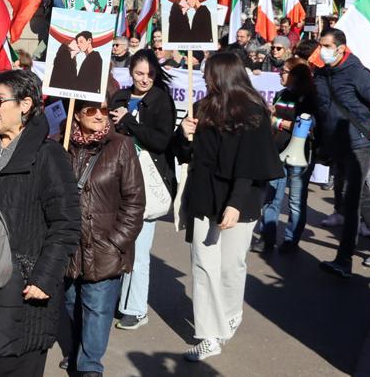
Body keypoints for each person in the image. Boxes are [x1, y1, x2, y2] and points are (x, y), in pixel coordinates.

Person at [0, 70, 80, 376]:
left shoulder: (48, 155)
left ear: (25, 104)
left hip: (23, 292)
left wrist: (44, 278)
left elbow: (66, 223)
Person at [174, 52, 283, 362]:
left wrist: (235, 204)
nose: (206, 78)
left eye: (211, 73)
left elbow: (251, 163)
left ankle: (232, 312)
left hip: (240, 200)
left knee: (231, 265)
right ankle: (209, 335)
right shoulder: (201, 109)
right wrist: (185, 135)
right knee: (203, 266)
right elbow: (185, 154)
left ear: (224, 75)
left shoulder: (253, 112)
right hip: (204, 197)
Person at [58, 97, 145, 376]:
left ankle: (89, 366)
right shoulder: (59, 146)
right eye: (91, 110)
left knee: (97, 309)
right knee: (72, 304)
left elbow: (134, 201)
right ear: (76, 114)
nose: (100, 116)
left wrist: (117, 241)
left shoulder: (121, 146)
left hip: (105, 247)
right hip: (69, 246)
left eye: (104, 110)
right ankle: (78, 350)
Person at [313, 28, 370, 277]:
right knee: (361, 198)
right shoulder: (320, 74)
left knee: (351, 200)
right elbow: (321, 108)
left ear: (340, 48)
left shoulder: (356, 72)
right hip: (335, 144)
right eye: (320, 45)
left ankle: (344, 259)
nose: (322, 50)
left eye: (327, 46)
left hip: (358, 144)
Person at [108, 49, 176, 332]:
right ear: (130, 72)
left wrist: (130, 121)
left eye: (149, 74)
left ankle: (135, 307)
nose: (144, 79)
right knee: (117, 242)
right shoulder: (120, 97)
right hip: (116, 179)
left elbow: (160, 142)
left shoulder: (162, 101)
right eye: (139, 73)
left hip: (147, 180)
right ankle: (117, 299)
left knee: (139, 247)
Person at [256, 57, 317, 255]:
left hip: (301, 155)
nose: (280, 73)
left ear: (295, 76)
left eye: (284, 71)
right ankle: (268, 237)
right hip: (277, 152)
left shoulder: (309, 99)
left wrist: (277, 121)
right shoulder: (281, 94)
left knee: (296, 201)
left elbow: (306, 127)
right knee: (272, 196)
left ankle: (291, 240)